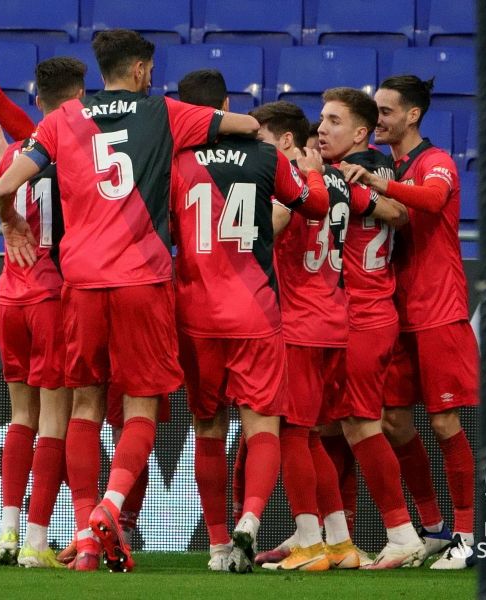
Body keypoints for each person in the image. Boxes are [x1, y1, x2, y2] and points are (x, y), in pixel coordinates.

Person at [0, 29, 260, 573]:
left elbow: (2, 186)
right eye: (151, 71)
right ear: (139, 70)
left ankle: (84, 535)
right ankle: (110, 508)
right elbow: (247, 126)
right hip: (143, 280)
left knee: (85, 405)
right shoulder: (166, 112)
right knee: (141, 406)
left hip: (81, 283)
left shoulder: (63, 119)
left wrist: (12, 222)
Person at [172, 70, 328, 573]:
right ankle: (251, 522)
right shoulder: (266, 155)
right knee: (261, 423)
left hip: (195, 313)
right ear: (226, 104)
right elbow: (315, 207)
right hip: (255, 311)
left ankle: (218, 544)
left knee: (208, 426)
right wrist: (313, 172)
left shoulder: (174, 160)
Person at [341, 75, 479, 570]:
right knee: (394, 421)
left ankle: (467, 535)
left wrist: (379, 185)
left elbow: (434, 200)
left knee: (443, 421)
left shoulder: (435, 162)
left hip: (438, 309)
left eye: (386, 111)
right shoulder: (388, 165)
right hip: (393, 312)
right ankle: (435, 528)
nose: (377, 119)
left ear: (412, 115)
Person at [0, 57, 86, 568]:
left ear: (38, 101)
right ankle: (38, 541)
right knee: (55, 420)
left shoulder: (19, 153)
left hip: (9, 299)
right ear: (80, 101)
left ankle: (8, 533)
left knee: (21, 416)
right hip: (52, 299)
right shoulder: (81, 154)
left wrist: (4, 172)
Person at [317, 87, 430, 569]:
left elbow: (400, 213)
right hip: (344, 313)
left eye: (334, 121)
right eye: (321, 120)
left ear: (361, 132)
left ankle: (403, 533)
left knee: (360, 422)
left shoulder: (355, 171)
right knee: (326, 424)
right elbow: (395, 211)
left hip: (364, 313)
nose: (322, 129)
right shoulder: (371, 169)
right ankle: (337, 538)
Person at [244, 101, 356, 571]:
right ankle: (340, 542)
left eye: (262, 140)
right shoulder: (334, 179)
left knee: (290, 433)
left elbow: (270, 226)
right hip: (332, 318)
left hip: (298, 325)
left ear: (285, 140)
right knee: (310, 437)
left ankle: (310, 543)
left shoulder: (291, 179)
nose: (256, 150)